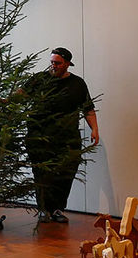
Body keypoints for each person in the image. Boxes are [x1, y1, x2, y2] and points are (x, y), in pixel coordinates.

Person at [25, 47, 99, 223]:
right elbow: (22, 94)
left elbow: (88, 109)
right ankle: (43, 209)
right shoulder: (39, 79)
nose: (53, 66)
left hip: (67, 138)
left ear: (67, 64)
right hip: (40, 136)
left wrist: (95, 129)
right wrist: (7, 102)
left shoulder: (78, 84)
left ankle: (57, 209)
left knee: (65, 174)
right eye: (51, 62)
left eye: (57, 63)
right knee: (41, 173)